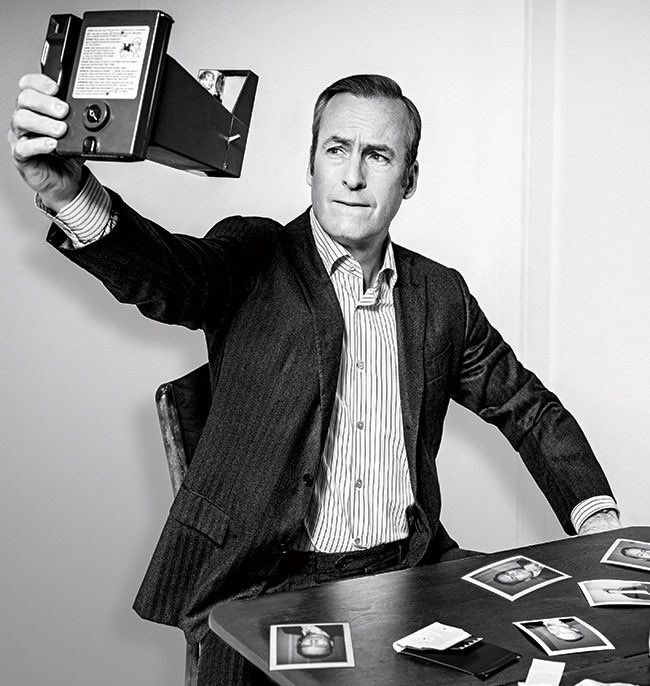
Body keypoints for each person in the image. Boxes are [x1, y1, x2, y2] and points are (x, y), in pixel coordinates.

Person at [9, 72, 622, 685]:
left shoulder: (441, 295)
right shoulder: (252, 255)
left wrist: (598, 523)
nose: (353, 176)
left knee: (567, 664)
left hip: (410, 572)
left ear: (409, 179)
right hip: (264, 582)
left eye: (378, 156)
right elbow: (168, 276)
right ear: (311, 165)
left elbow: (526, 407)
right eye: (336, 150)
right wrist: (71, 193)